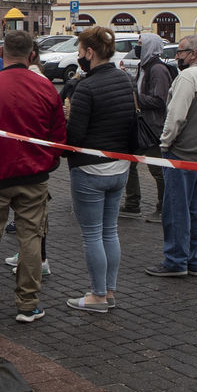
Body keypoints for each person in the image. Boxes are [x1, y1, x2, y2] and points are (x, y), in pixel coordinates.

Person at [0, 30, 66, 323]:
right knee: (31, 238)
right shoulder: (45, 88)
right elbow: (58, 135)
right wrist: (47, 162)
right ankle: (28, 303)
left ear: (1, 53)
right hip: (33, 175)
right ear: (32, 55)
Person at [63, 26, 136, 313]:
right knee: (110, 231)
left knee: (92, 234)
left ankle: (97, 294)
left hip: (90, 170)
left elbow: (75, 137)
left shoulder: (86, 88)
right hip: (120, 167)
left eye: (80, 51)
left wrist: (68, 119)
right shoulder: (125, 80)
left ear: (90, 53)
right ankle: (109, 291)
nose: (78, 56)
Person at [146, 34, 197, 278]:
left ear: (193, 54)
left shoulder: (188, 77)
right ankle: (195, 259)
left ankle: (175, 260)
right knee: (196, 210)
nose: (177, 56)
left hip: (180, 154)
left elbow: (176, 115)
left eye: (180, 52)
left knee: (176, 209)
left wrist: (165, 143)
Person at [124, 33, 173, 221]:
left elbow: (160, 100)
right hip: (141, 124)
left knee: (157, 170)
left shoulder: (157, 69)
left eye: (140, 44)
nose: (137, 47)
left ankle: (163, 208)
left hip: (153, 127)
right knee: (129, 163)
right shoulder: (142, 66)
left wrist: (135, 98)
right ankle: (132, 204)